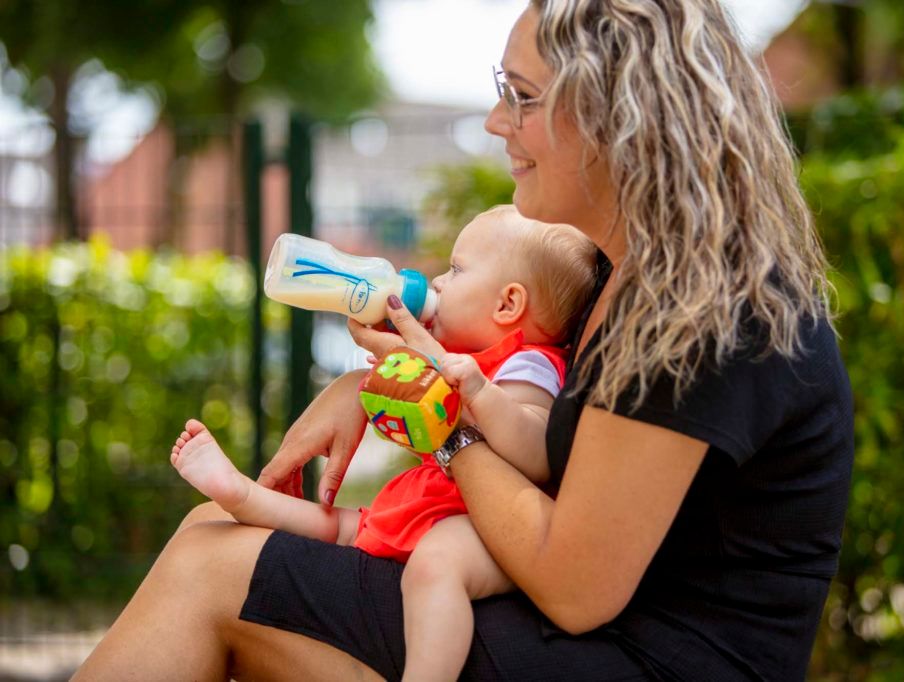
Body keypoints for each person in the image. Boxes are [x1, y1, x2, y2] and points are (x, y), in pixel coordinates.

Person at [75, 1, 854, 680]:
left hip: (641, 658)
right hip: (595, 636)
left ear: (620, 117)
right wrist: (364, 386)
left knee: (214, 569)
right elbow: (526, 412)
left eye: (520, 97)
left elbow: (574, 585)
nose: (494, 123)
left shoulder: (702, 310)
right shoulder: (629, 279)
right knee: (211, 534)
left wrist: (436, 420)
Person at [168, 204, 597, 681]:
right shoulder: (458, 352)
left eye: (455, 271)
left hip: (483, 527)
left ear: (508, 305)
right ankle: (242, 495)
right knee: (340, 528)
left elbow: (537, 452)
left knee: (435, 566)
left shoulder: (528, 365)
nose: (435, 282)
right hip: (441, 501)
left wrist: (471, 387)